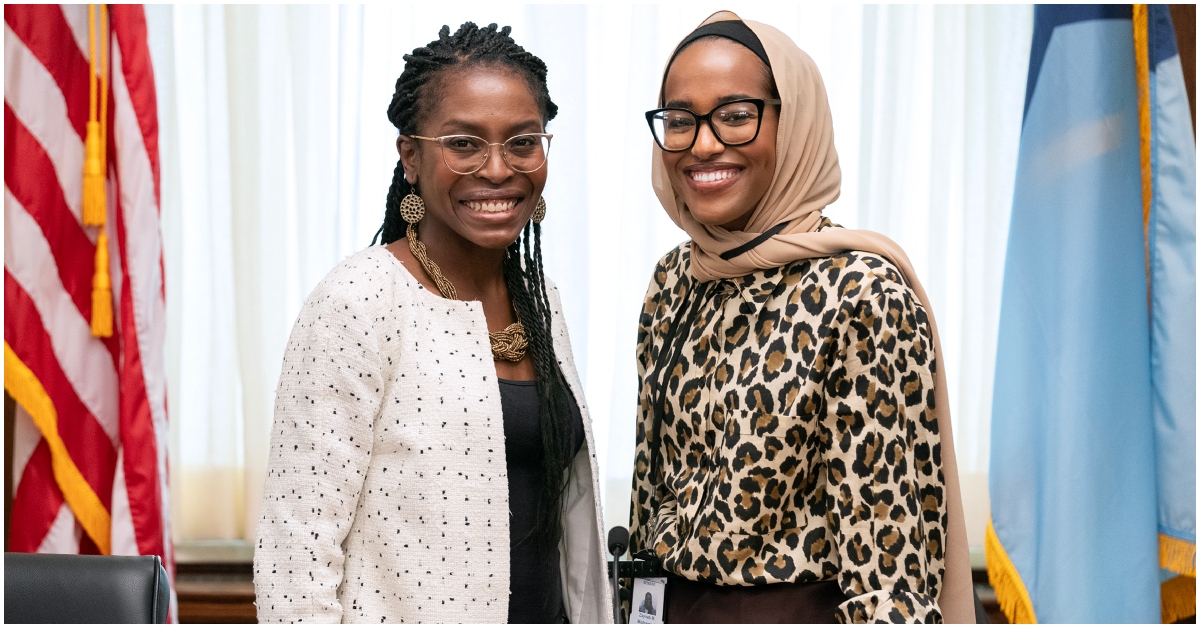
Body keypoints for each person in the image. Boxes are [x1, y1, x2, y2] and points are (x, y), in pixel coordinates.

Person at [253, 22, 611, 624]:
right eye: (464, 143)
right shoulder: (360, 299)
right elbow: (295, 563)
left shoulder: (538, 299)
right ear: (411, 157)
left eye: (522, 142)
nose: (498, 169)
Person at [627, 11, 975, 624]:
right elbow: (651, 493)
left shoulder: (860, 292)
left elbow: (887, 562)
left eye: (736, 116)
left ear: (794, 125)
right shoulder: (675, 279)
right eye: (680, 122)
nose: (703, 145)